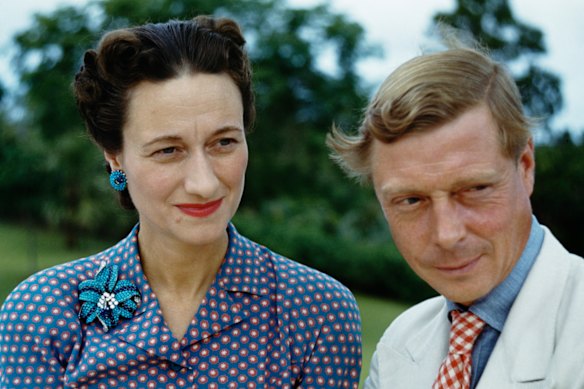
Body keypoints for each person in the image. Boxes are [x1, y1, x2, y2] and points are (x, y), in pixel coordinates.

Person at [0, 16, 362, 388]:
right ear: (115, 157)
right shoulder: (42, 313)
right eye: (168, 150)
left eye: (224, 143)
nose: (203, 184)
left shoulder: (317, 312)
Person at [327, 42, 584, 388]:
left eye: (475, 189)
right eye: (411, 200)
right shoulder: (398, 345)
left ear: (525, 167)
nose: (446, 234)